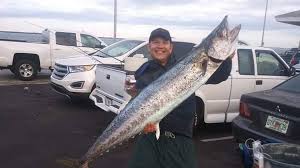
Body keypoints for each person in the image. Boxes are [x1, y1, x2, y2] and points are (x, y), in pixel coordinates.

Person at [127, 28, 232, 168]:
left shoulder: (186, 65)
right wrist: (133, 95)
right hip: (149, 139)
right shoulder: (143, 70)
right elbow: (139, 99)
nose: (160, 46)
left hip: (179, 138)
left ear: (171, 47)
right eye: (155, 42)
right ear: (149, 46)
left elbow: (219, 76)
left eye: (164, 42)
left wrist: (227, 59)